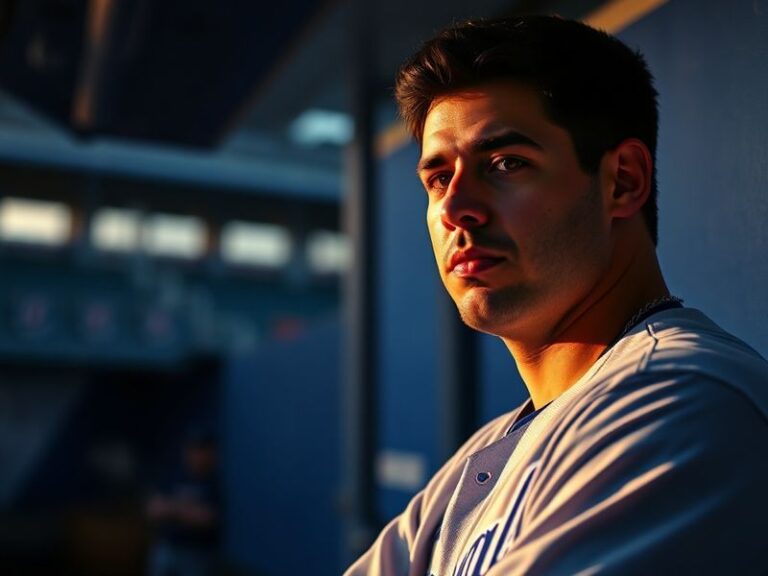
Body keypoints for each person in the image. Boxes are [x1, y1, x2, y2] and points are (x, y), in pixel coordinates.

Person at [345, 15, 768, 576]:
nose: (454, 209)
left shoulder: (677, 398)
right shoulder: (484, 456)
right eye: (439, 178)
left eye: (506, 163)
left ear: (623, 182)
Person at [146, 430, 220, 576]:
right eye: (192, 449)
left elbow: (206, 518)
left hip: (197, 553)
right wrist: (186, 510)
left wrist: (172, 508)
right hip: (167, 548)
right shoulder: (173, 476)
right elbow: (153, 509)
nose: (196, 455)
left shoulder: (213, 482)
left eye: (201, 450)